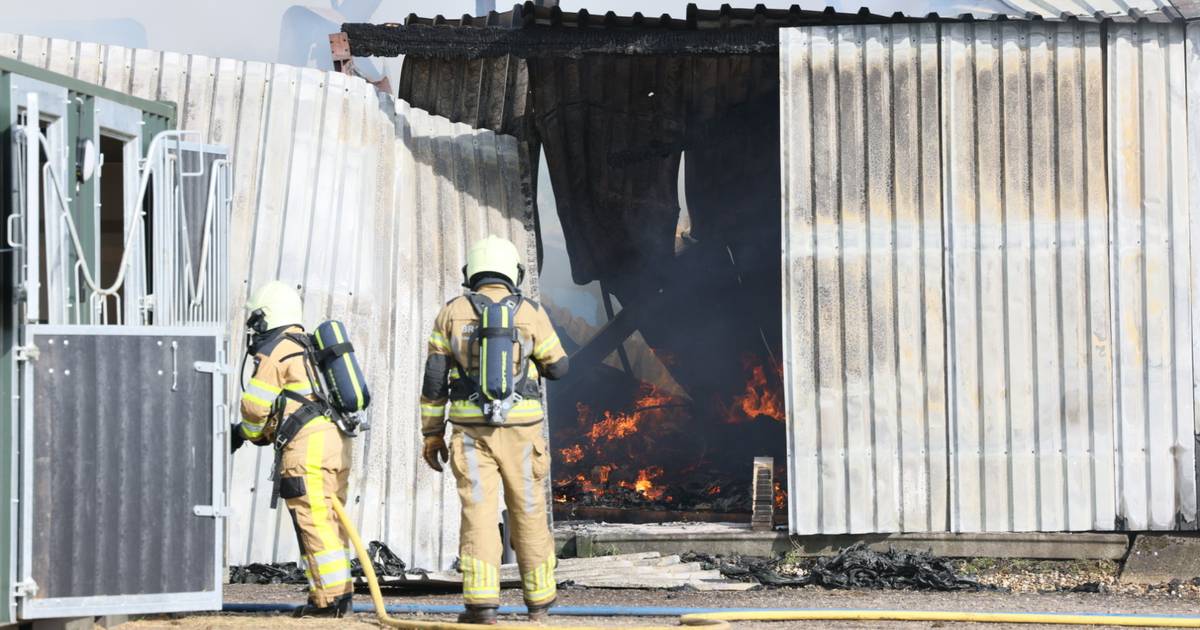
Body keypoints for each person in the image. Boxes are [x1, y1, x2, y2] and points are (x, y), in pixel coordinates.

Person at [420, 235, 569, 625]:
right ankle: (539, 603)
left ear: (471, 272)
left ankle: (482, 605)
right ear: (513, 273)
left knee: (479, 513)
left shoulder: (451, 313)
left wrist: (431, 433)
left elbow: (434, 381)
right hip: (523, 432)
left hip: (471, 433)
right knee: (530, 510)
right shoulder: (531, 312)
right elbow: (558, 367)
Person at [230, 281, 354, 617]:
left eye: (255, 321)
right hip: (336, 444)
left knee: (313, 521)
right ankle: (339, 594)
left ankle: (328, 603)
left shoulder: (277, 351)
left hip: (309, 449)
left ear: (266, 317)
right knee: (330, 520)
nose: (254, 329)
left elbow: (255, 408)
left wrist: (243, 434)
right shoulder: (309, 345)